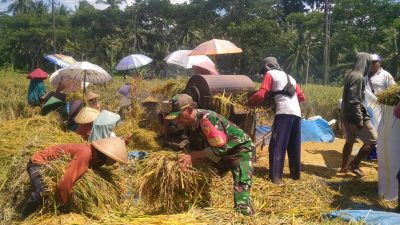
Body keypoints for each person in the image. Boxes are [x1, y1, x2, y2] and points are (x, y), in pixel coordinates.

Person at [165, 94, 256, 215]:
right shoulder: (189, 124)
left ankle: (246, 217)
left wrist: (193, 156)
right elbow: (195, 147)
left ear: (190, 109)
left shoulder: (207, 120)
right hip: (221, 154)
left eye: (179, 115)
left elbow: (220, 149)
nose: (177, 120)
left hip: (239, 152)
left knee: (241, 197)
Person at [21, 137, 128, 218]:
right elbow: (65, 182)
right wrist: (62, 206)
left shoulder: (97, 156)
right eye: (114, 159)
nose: (115, 162)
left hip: (49, 163)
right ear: (107, 155)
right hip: (39, 162)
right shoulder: (86, 154)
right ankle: (23, 217)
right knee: (42, 191)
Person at [248, 57, 305, 184]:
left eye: (264, 70)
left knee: (277, 145)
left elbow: (261, 94)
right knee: (293, 146)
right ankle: (295, 175)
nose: (264, 73)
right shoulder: (291, 78)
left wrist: (250, 101)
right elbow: (302, 97)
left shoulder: (270, 74)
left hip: (283, 113)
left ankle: (276, 177)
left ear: (267, 67)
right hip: (296, 114)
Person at [340, 52, 378, 177]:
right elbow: (354, 100)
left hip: (346, 114)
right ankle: (354, 165)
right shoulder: (358, 77)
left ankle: (344, 167)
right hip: (355, 114)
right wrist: (359, 119)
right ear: (365, 63)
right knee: (373, 140)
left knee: (350, 141)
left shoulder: (350, 74)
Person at [364, 53, 396, 160]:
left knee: (379, 130)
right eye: (370, 63)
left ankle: (377, 152)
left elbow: (393, 90)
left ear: (379, 63)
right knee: (369, 130)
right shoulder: (365, 75)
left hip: (380, 108)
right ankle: (371, 152)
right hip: (367, 108)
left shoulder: (385, 75)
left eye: (374, 62)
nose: (372, 65)